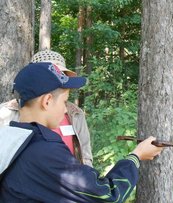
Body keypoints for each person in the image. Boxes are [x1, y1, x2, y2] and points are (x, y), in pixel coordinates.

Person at [0, 62, 163, 202]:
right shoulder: (43, 151)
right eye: (64, 102)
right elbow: (107, 195)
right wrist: (136, 156)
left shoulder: (9, 138)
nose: (65, 109)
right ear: (47, 101)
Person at [0, 50, 93, 167]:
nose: (53, 82)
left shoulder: (75, 113)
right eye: (46, 76)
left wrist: (85, 178)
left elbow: (85, 154)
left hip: (68, 181)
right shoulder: (6, 113)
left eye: (60, 75)